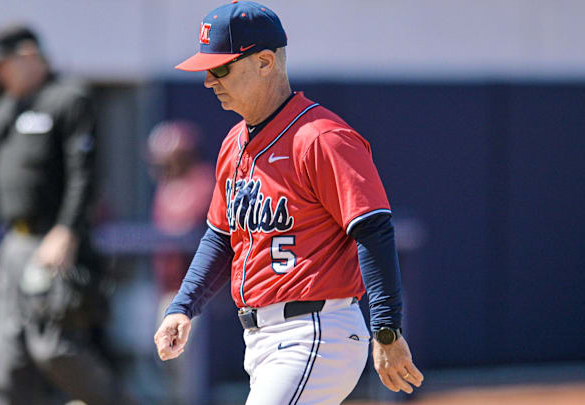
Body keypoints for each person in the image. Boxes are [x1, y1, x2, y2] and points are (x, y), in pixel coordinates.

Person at [153, 2, 424, 404]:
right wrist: (183, 306)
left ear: (265, 62)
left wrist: (386, 329)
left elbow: (373, 228)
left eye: (221, 68)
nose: (209, 80)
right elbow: (219, 237)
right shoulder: (234, 144)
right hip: (262, 340)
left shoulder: (322, 137)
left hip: (315, 330)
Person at [0, 24, 118, 405]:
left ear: (29, 55)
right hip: (13, 242)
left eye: (2, 64)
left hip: (53, 241)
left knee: (54, 348)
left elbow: (86, 175)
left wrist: (67, 231)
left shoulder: (67, 97)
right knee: (5, 358)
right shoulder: (6, 106)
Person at [146, 121, 214, 404]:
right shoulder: (164, 188)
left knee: (190, 368)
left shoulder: (203, 182)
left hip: (202, 294)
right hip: (166, 290)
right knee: (165, 363)